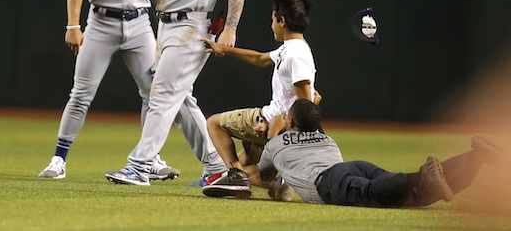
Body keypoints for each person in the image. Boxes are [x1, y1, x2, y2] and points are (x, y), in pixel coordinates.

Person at [105, 0, 247, 186]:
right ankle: (216, 166)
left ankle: (139, 167)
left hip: (191, 25)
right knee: (181, 100)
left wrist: (231, 29)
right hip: (165, 25)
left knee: (162, 95)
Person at [37, 0, 179, 181]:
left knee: (153, 94)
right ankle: (58, 160)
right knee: (81, 94)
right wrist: (73, 25)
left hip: (140, 23)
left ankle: (149, 158)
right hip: (101, 22)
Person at [207, 98, 507, 207]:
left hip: (329, 181)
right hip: (354, 165)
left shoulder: (274, 145)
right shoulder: (327, 139)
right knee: (417, 195)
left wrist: (270, 134)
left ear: (292, 123)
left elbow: (267, 177)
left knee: (375, 193)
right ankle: (474, 158)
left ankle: (420, 175)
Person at [200, 0, 318, 198]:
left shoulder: (295, 55)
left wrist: (272, 125)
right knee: (247, 166)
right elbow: (260, 59)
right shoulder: (292, 48)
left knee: (214, 123)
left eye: (273, 19)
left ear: (282, 20)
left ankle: (235, 176)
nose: (271, 24)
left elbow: (304, 106)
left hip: (272, 122)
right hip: (277, 124)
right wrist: (225, 49)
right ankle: (276, 185)